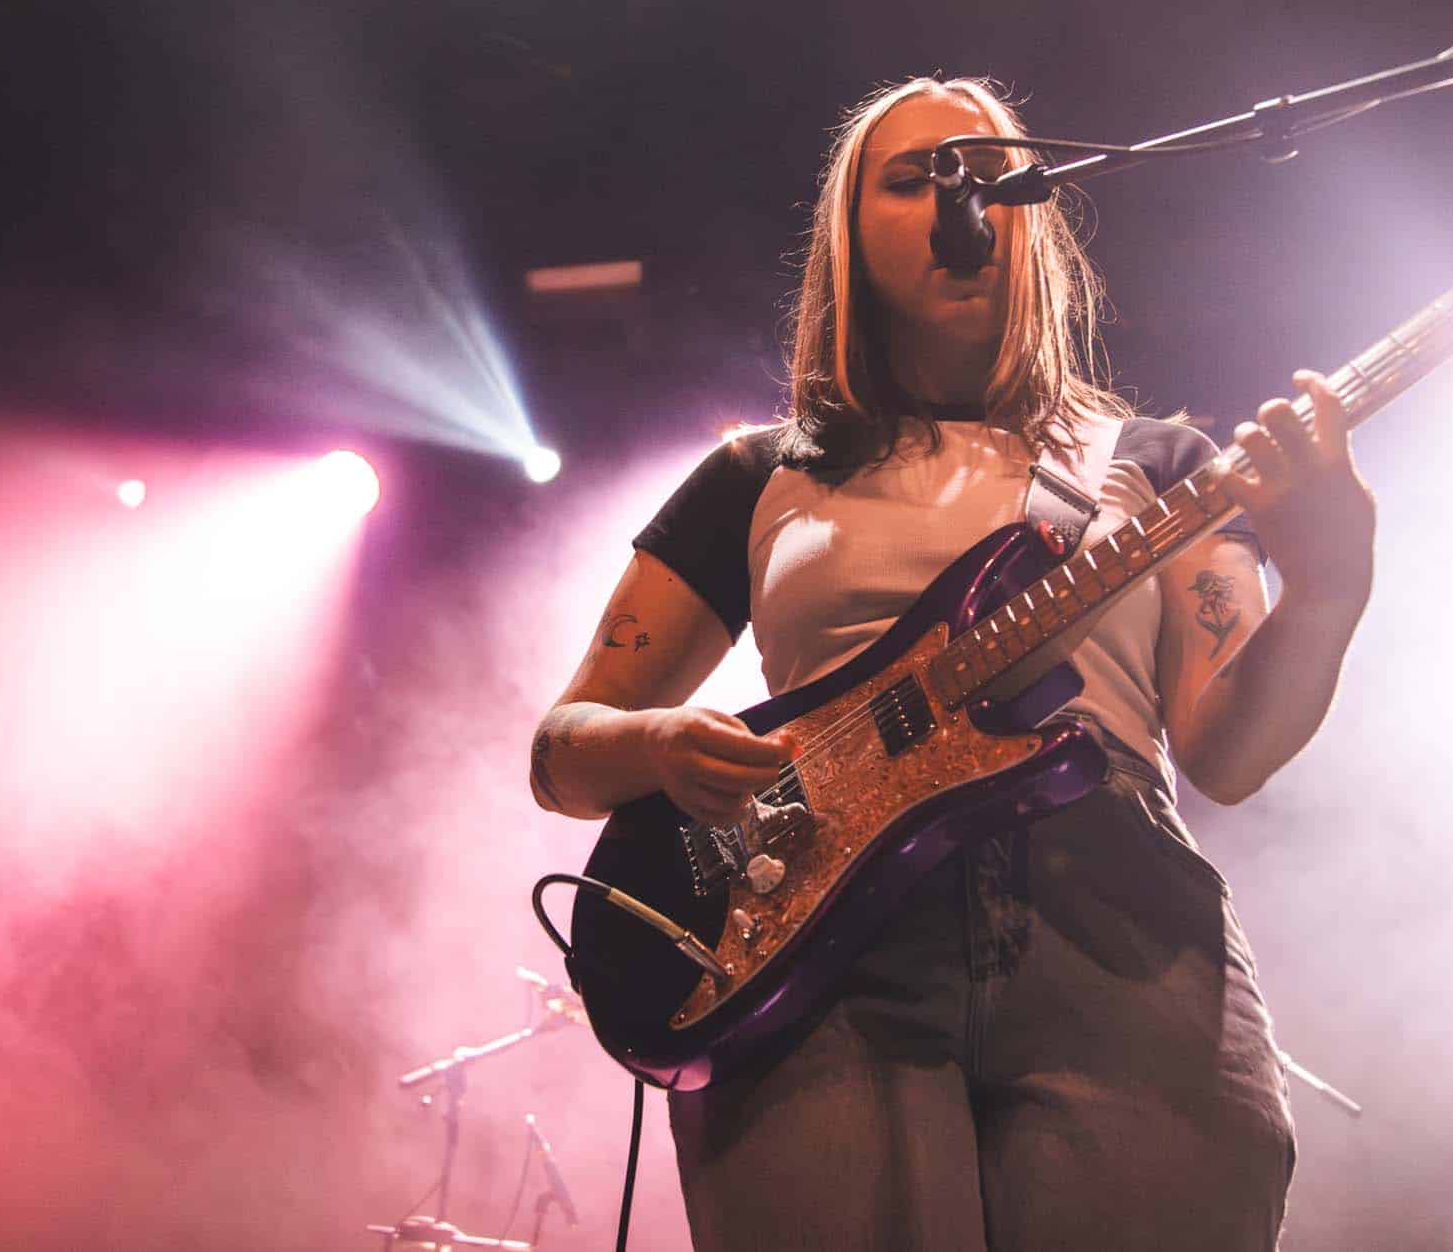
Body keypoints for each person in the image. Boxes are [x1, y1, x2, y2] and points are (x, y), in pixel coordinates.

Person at [526, 76, 1375, 1251]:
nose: (955, 199)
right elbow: (560, 753)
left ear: (1032, 216)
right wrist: (659, 745)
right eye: (912, 177)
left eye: (983, 174)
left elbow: (1228, 757)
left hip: (1116, 934)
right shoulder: (757, 477)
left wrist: (1327, 587)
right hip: (813, 957)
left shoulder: (1158, 463)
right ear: (848, 233)